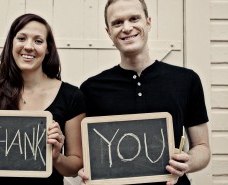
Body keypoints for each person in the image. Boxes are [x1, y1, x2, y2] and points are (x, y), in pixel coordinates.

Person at [78, 0, 211, 185]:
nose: (127, 27)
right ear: (108, 32)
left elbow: (202, 148)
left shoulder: (186, 80)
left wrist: (187, 163)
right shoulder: (90, 89)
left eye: (134, 18)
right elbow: (84, 156)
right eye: (117, 22)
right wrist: (87, 170)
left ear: (148, 22)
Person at [0, 13, 85, 185]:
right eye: (21, 38)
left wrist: (57, 157)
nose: (29, 46)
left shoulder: (71, 96)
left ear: (48, 48)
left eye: (38, 40)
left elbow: (75, 167)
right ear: (11, 43)